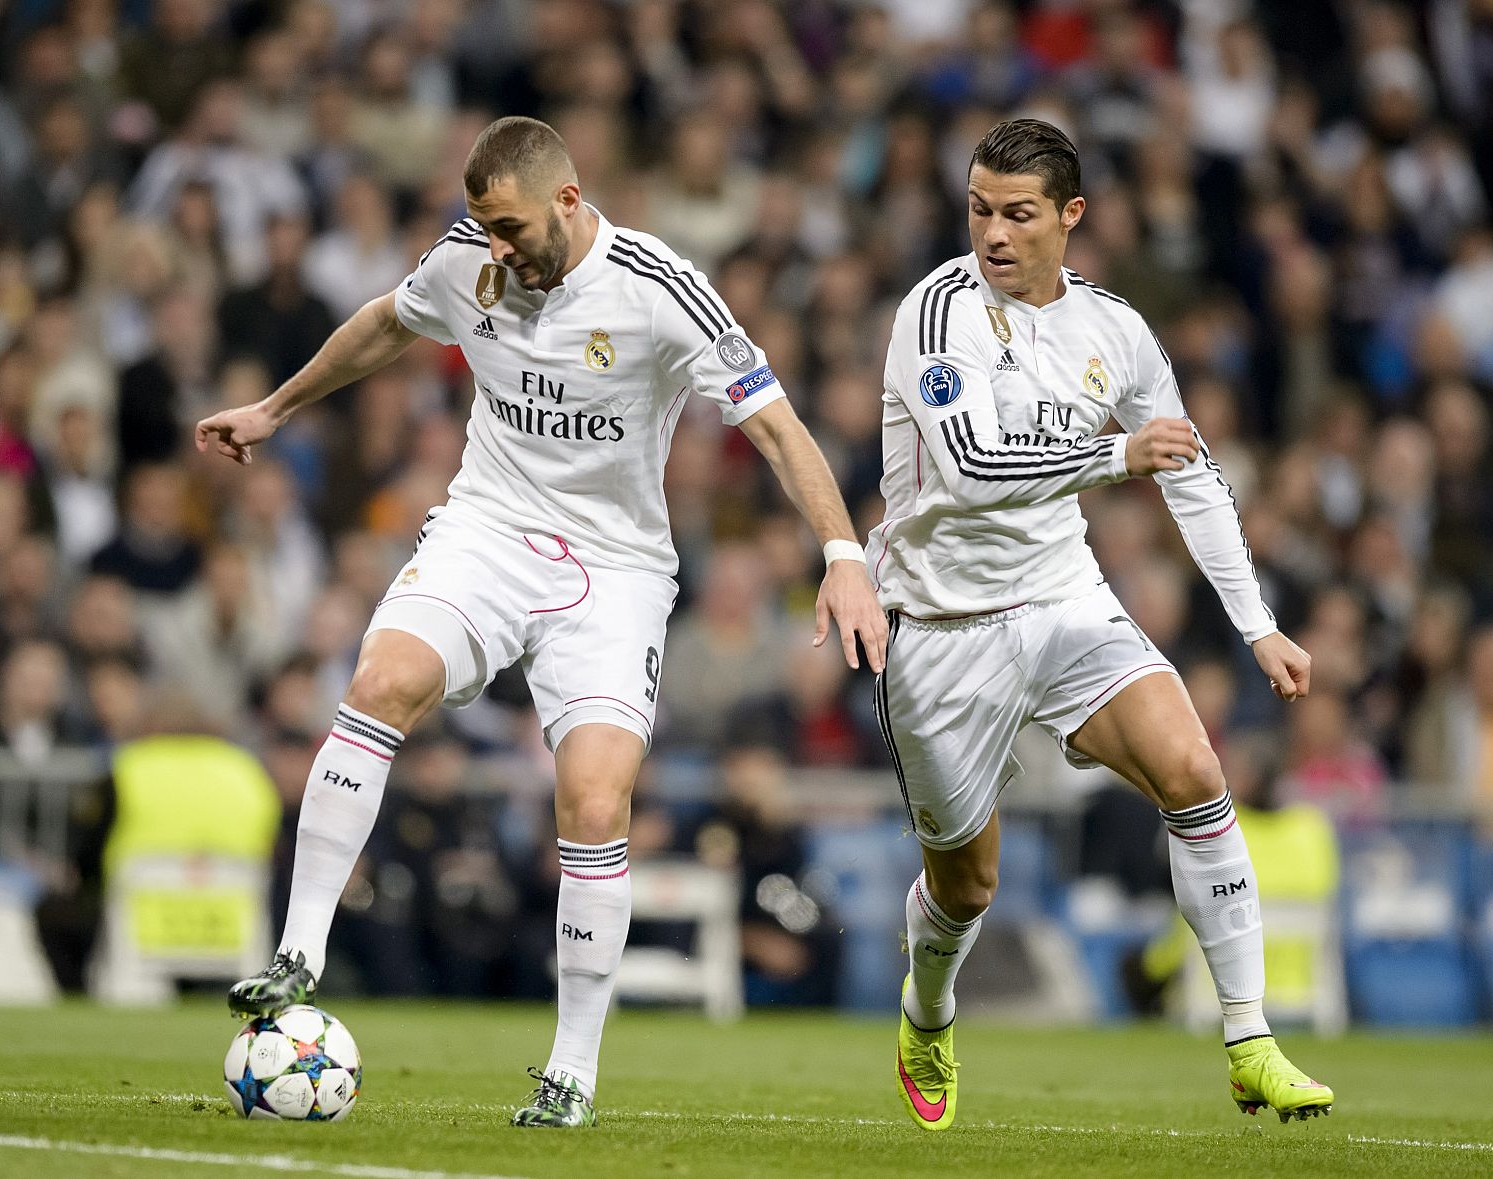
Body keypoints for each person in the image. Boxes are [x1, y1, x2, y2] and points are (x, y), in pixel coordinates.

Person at [195, 116, 885, 1128]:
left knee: (595, 806)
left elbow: (775, 425)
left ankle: (571, 1071)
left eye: (511, 225)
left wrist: (843, 556)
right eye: (482, 226)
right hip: (489, 530)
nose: (497, 246)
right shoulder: (467, 260)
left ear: (566, 200)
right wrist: (277, 407)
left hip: (615, 571)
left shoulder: (658, 286)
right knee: (379, 683)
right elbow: (389, 320)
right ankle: (300, 947)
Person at [868, 119, 1332, 1132]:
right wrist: (1115, 457)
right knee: (965, 883)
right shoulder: (934, 313)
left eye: (1018, 214)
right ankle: (927, 1009)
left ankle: (1250, 1040)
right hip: (939, 626)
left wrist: (1255, 624)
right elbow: (973, 472)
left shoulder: (1115, 331)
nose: (993, 233)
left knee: (1196, 773)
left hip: (1062, 597)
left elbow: (1191, 468)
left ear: (1070, 217)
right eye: (979, 209)